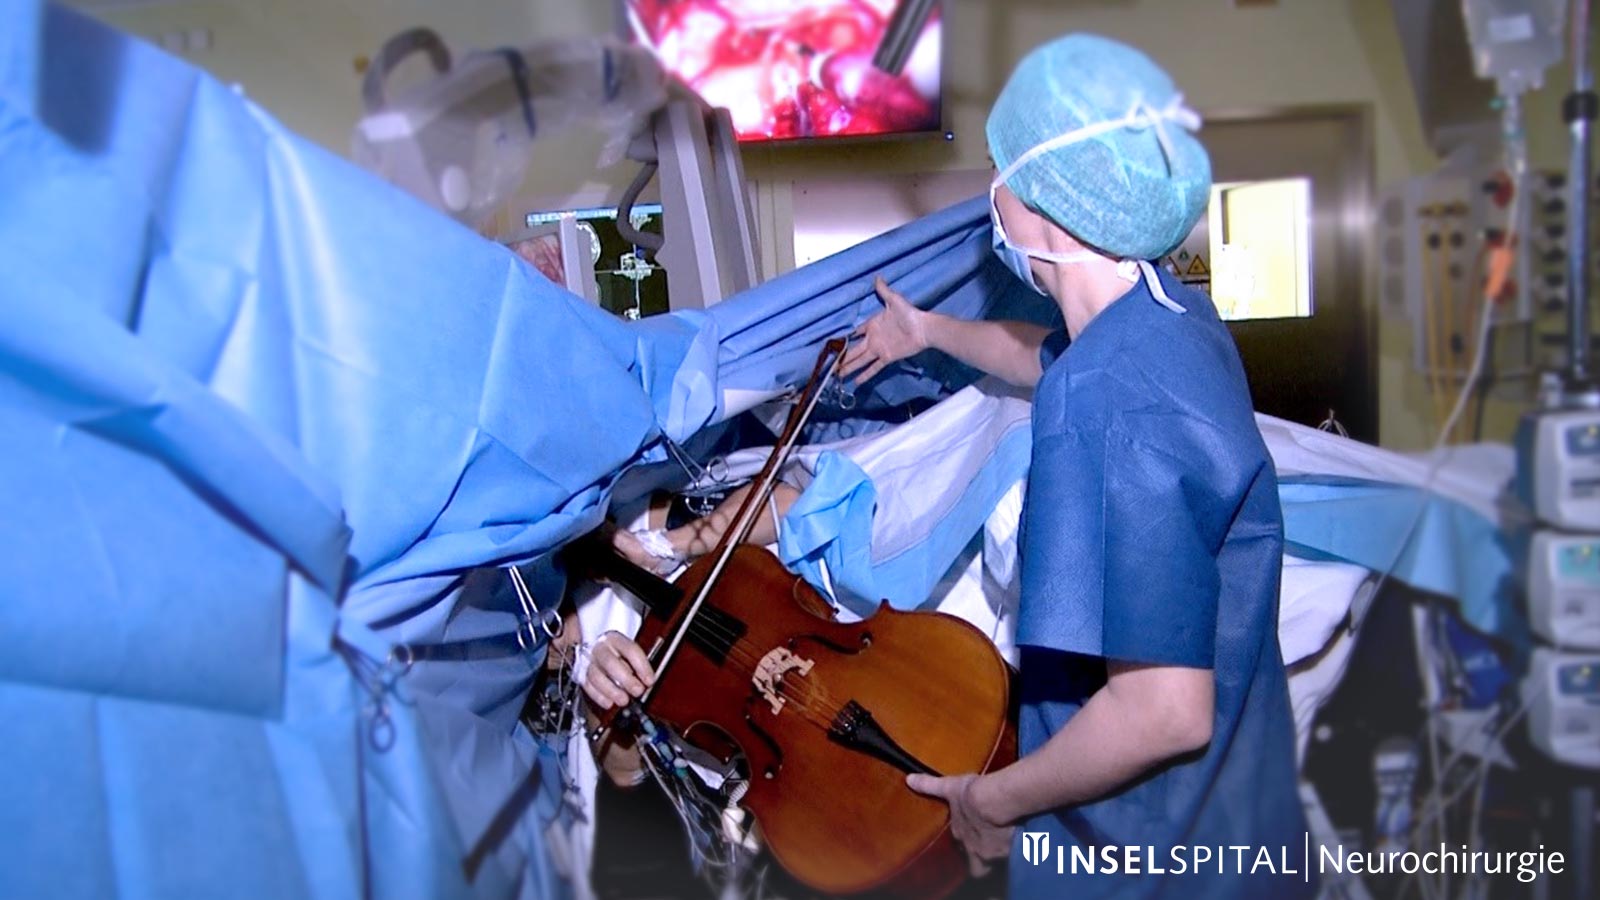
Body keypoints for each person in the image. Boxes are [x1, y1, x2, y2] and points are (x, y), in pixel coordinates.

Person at [843, 34, 1309, 899]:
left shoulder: (1102, 411)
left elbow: (1161, 711)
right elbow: (1041, 355)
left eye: (1002, 174)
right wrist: (929, 331)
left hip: (1150, 856)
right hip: (1242, 817)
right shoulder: (1171, 317)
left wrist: (992, 797)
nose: (992, 193)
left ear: (1044, 212)